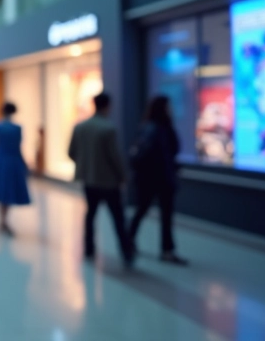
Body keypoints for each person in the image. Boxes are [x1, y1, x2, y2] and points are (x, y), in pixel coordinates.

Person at [68, 92, 135, 268]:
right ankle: (126, 252)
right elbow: (115, 157)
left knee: (90, 215)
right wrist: (123, 175)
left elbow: (71, 152)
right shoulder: (108, 128)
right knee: (118, 218)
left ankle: (89, 249)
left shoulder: (80, 127)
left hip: (88, 180)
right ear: (107, 106)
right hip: (108, 182)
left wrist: (86, 164)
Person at [128, 95, 188, 265]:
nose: (171, 110)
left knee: (147, 211)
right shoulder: (157, 129)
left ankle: (162, 248)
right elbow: (163, 153)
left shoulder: (151, 127)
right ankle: (165, 250)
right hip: (157, 178)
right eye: (168, 106)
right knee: (150, 212)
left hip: (153, 179)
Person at [0, 102, 31, 234]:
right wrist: (24, 163)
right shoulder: (17, 128)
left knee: (2, 190)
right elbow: (19, 148)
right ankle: (4, 219)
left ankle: (2, 219)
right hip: (12, 161)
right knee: (8, 190)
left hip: (0, 160)